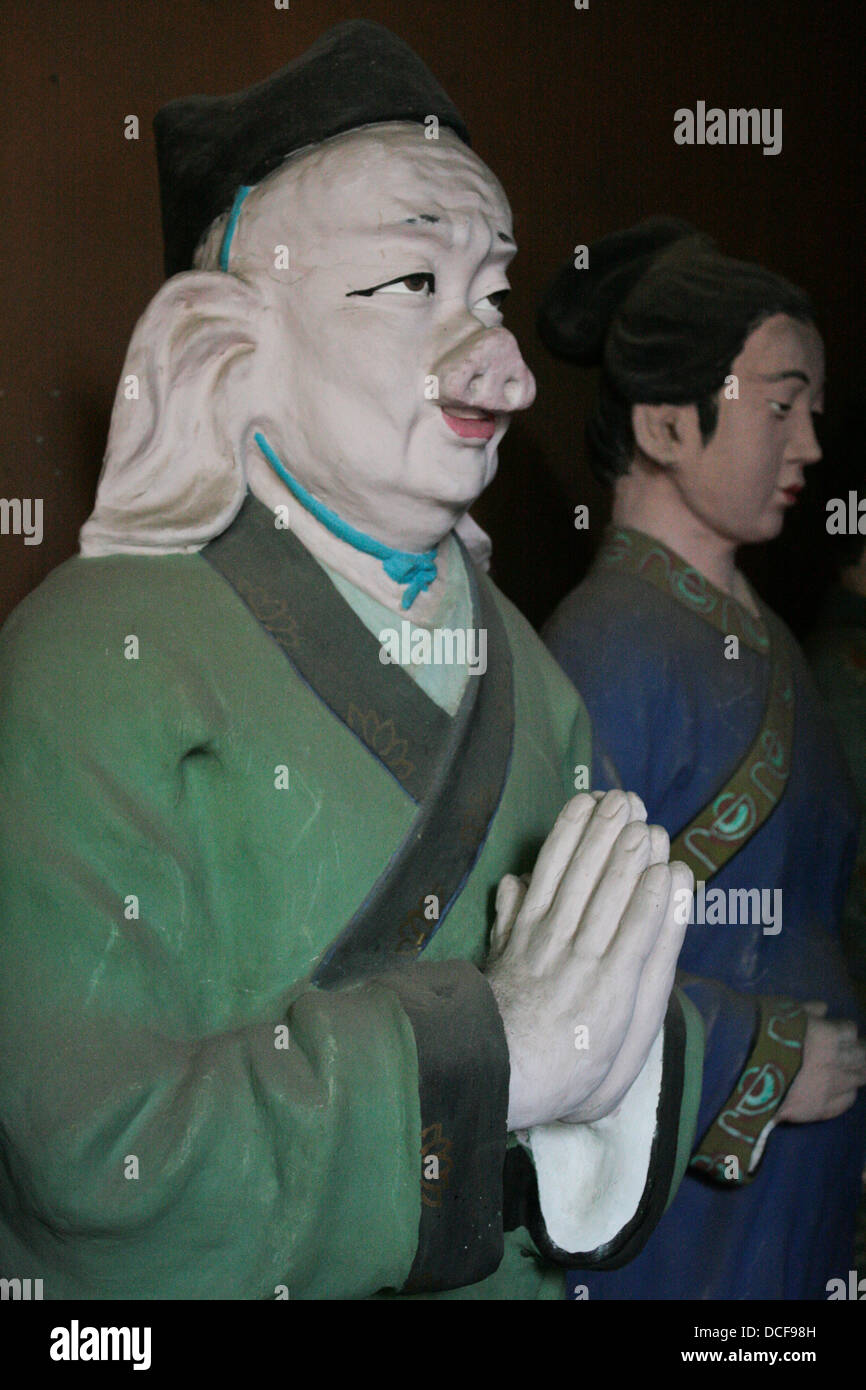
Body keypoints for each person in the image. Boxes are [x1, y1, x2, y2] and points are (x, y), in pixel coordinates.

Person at [0, 25, 702, 1301]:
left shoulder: (525, 666)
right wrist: (498, 1051)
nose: (497, 361)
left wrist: (621, 1037)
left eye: (488, 290)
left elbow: (624, 1003)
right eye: (412, 284)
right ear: (228, 335)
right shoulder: (88, 656)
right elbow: (98, 1161)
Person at [539, 218, 866, 1300]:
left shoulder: (766, 631)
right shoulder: (606, 642)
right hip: (687, 1214)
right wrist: (761, 1058)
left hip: (792, 1197)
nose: (809, 445)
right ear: (667, 422)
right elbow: (555, 973)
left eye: (809, 411)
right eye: (779, 406)